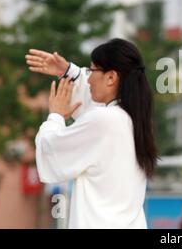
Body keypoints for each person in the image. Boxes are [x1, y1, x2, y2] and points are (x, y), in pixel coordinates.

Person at [25, 38, 158, 228]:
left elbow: (51, 150)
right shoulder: (135, 119)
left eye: (92, 70)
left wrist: (55, 116)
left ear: (111, 77)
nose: (87, 78)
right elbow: (94, 102)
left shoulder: (105, 120)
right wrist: (68, 72)